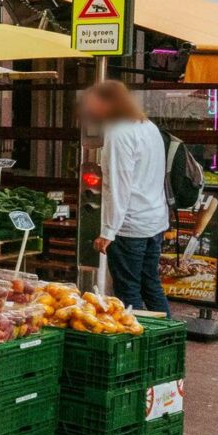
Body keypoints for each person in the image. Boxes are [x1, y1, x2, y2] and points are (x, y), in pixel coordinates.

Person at [81, 79, 170, 315]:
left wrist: (108, 231)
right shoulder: (148, 126)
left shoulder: (119, 133)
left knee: (128, 290)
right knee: (151, 284)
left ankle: (136, 343)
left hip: (130, 224)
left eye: (93, 103)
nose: (90, 109)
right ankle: (168, 340)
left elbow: (117, 186)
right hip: (154, 219)